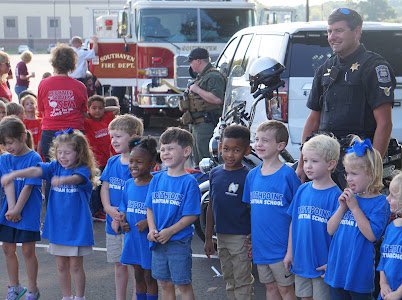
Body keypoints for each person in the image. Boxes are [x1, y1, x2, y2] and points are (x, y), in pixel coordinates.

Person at [296, 8, 397, 188]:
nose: (332, 36)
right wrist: (303, 162)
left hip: (356, 161)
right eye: (329, 31)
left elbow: (384, 123)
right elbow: (313, 120)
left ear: (357, 31)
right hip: (325, 162)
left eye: (339, 30)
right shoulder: (325, 69)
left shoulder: (373, 67)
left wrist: (373, 169)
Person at [1, 129, 97, 300]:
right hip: (58, 226)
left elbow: (78, 179)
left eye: (67, 152)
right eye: (59, 152)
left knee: (75, 265)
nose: (62, 156)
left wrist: (63, 180)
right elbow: (34, 172)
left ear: (79, 152)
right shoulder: (54, 167)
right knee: (61, 265)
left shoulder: (82, 170)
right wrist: (15, 174)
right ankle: (66, 296)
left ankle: (80, 297)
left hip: (77, 227)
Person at [325, 137, 390, 299]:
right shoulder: (348, 198)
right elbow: (330, 229)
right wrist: (342, 208)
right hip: (337, 270)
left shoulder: (380, 202)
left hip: (359, 273)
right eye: (347, 173)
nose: (348, 178)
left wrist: (354, 208)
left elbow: (372, 235)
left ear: (371, 175)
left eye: (354, 173)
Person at [242, 120, 301, 300]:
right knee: (270, 288)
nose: (258, 144)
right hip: (261, 248)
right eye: (257, 139)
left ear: (280, 146)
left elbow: (297, 213)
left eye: (265, 141)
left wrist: (291, 249)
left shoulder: (288, 174)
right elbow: (252, 211)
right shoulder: (252, 175)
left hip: (281, 248)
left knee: (285, 290)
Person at [146, 127, 201, 300]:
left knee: (183, 284)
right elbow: (150, 208)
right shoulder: (156, 178)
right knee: (164, 283)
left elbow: (191, 215)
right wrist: (152, 229)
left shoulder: (189, 182)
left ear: (186, 151)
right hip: (158, 240)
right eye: (162, 149)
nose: (165, 153)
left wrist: (170, 231)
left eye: (170, 149)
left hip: (178, 242)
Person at [285, 135, 342, 300]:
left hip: (322, 267)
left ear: (331, 164)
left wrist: (333, 262)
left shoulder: (336, 197)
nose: (308, 166)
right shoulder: (302, 190)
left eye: (314, 161)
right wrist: (290, 253)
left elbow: (340, 237)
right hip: (301, 262)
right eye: (305, 160)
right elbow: (293, 223)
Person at [204, 125, 254, 300]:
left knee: (242, 281)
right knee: (228, 278)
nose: (230, 154)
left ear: (246, 150)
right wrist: (209, 236)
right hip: (221, 236)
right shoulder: (215, 173)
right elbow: (211, 205)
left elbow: (252, 210)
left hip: (241, 237)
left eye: (236, 150)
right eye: (226, 149)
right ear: (219, 147)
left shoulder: (249, 176)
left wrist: (252, 238)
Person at [100, 114, 144, 300]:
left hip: (130, 223)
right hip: (112, 222)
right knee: (119, 265)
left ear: (133, 136)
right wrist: (108, 208)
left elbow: (135, 195)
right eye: (112, 136)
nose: (114, 140)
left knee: (136, 266)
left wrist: (121, 216)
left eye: (118, 136)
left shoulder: (138, 165)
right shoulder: (112, 162)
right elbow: (105, 187)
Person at [0, 117, 41, 300]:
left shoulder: (34, 157)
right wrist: (12, 209)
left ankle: (32, 289)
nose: (8, 147)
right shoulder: (5, 159)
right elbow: (8, 184)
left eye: (10, 142)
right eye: (4, 144)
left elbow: (28, 186)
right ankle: (14, 287)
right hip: (9, 211)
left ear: (22, 137)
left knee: (27, 251)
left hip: (28, 211)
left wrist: (18, 209)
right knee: (8, 249)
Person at [115, 137, 159, 300]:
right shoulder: (128, 184)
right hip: (132, 239)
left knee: (150, 278)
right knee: (138, 277)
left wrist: (148, 222)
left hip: (148, 241)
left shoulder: (156, 183)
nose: (133, 165)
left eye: (139, 162)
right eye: (131, 161)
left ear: (152, 163)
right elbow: (123, 208)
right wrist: (123, 222)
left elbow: (162, 211)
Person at [38, 44, 88, 163]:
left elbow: (41, 109)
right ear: (72, 64)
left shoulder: (43, 84)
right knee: (75, 168)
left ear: (54, 63)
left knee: (51, 169)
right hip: (74, 132)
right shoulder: (80, 86)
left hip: (50, 131)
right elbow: (83, 111)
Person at [183, 47, 225, 165]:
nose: (190, 65)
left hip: (206, 124)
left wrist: (197, 90)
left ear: (198, 61)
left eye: (191, 62)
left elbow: (217, 99)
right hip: (197, 124)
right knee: (197, 160)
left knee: (206, 160)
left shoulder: (213, 76)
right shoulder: (202, 76)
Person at [84, 95, 119, 220]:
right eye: (94, 108)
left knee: (104, 186)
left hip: (106, 159)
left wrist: (104, 109)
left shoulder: (107, 118)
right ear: (88, 109)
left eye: (100, 108)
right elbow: (80, 114)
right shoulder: (87, 122)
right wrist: (86, 112)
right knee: (96, 186)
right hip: (95, 160)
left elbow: (116, 108)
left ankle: (99, 209)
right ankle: (95, 211)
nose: (97, 111)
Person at [378, 172, 402, 300]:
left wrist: (398, 293)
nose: (387, 199)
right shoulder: (390, 228)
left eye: (392, 196)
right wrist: (383, 283)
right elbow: (384, 258)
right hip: (386, 293)